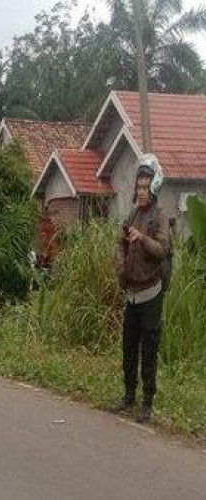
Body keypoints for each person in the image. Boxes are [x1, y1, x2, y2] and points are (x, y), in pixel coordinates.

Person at [110, 157, 170, 424]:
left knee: (149, 351)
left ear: (153, 189)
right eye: (139, 187)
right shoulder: (133, 214)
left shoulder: (159, 217)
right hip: (131, 294)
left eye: (146, 187)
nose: (142, 191)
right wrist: (121, 266)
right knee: (128, 348)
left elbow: (161, 250)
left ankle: (147, 402)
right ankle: (128, 396)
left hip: (150, 295)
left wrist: (142, 238)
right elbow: (120, 244)